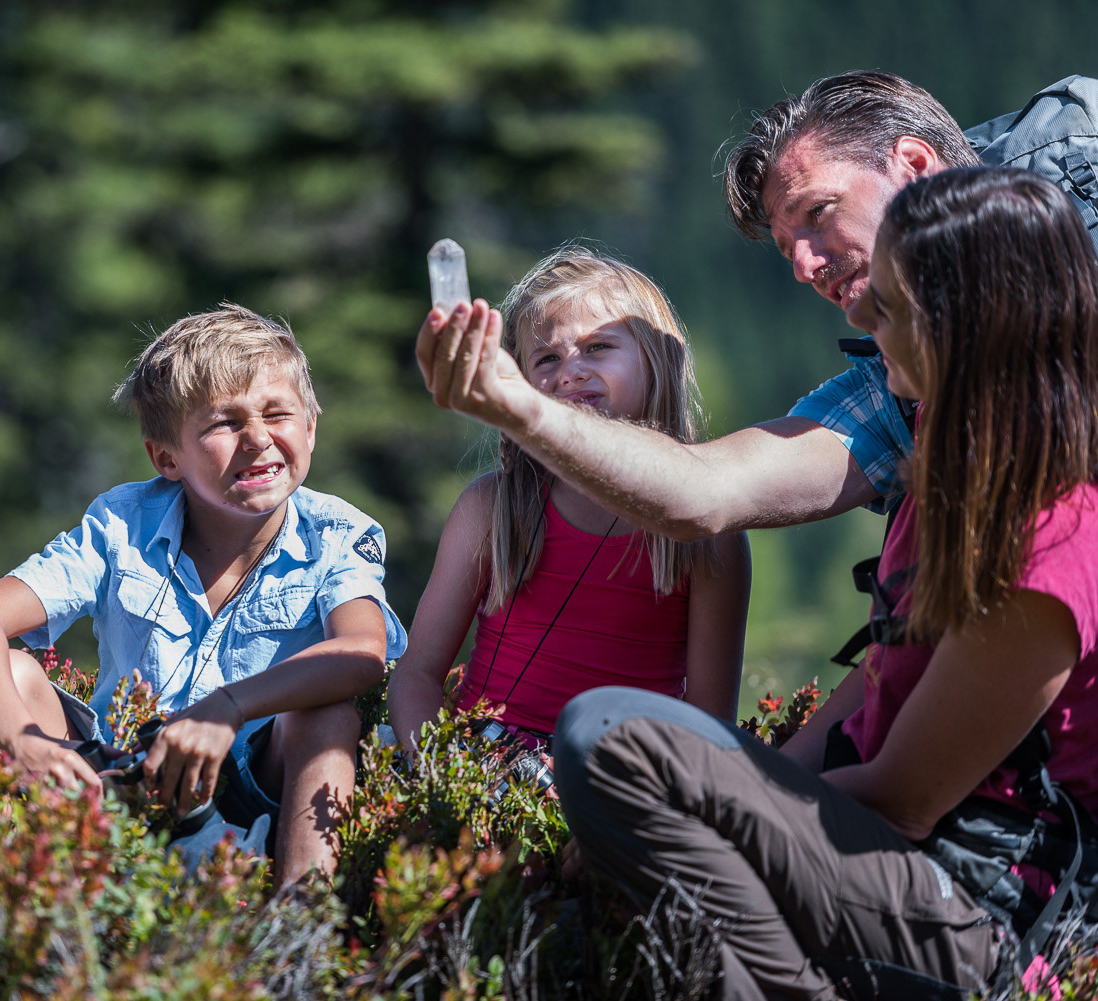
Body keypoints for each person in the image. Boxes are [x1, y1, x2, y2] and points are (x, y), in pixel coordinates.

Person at [551, 167, 1098, 999]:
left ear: (969, 322)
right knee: (633, 763)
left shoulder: (1056, 539)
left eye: (892, 303)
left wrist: (706, 799)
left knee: (609, 737)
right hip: (900, 873)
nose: (861, 315)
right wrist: (709, 794)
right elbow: (878, 686)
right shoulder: (954, 464)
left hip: (982, 915)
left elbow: (903, 799)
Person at [0, 305, 408, 884]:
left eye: (278, 413)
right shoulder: (121, 523)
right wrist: (23, 740)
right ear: (166, 458)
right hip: (115, 780)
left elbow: (361, 652)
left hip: (254, 789)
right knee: (11, 671)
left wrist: (228, 707)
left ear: (310, 427)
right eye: (223, 424)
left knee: (328, 716)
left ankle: (301, 917)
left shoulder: (339, 533)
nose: (258, 438)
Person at [413, 71, 984, 542]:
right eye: (787, 248)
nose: (805, 267)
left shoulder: (1047, 287)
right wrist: (518, 405)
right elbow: (708, 490)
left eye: (818, 213)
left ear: (914, 166)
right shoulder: (896, 390)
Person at [388, 248, 749, 757]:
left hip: (619, 784)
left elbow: (709, 729)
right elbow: (418, 675)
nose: (571, 372)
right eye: (547, 359)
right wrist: (441, 775)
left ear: (659, 359)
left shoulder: (710, 538)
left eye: (598, 347)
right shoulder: (492, 508)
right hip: (479, 773)